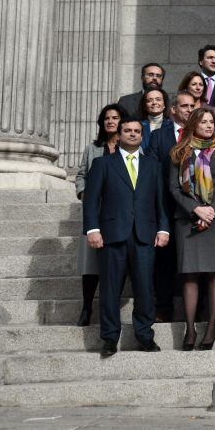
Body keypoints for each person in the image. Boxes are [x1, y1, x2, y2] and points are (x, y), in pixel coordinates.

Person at [83, 118, 169, 358]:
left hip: (145, 236)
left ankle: (144, 335)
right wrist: (92, 229)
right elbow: (91, 201)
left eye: (137, 131)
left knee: (144, 288)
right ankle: (110, 338)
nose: (132, 134)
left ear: (142, 136)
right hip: (112, 236)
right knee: (110, 289)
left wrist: (164, 229)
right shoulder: (102, 164)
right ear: (118, 135)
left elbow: (160, 201)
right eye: (127, 131)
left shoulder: (153, 165)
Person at [168, 107, 215, 351]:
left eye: (211, 121)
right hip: (187, 219)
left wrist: (211, 211)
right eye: (203, 121)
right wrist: (196, 209)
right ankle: (190, 328)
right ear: (193, 123)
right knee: (190, 274)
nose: (208, 125)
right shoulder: (178, 152)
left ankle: (210, 328)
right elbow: (173, 188)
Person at [145, 90, 198, 322]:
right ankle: (163, 307)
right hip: (167, 206)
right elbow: (154, 173)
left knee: (195, 260)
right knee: (165, 261)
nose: (188, 110)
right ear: (173, 110)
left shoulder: (202, 133)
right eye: (184, 106)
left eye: (191, 106)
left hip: (195, 208)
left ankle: (199, 309)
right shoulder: (159, 136)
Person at [74, 104, 128, 326]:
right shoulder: (92, 149)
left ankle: (111, 303)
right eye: (106, 118)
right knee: (90, 264)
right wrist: (84, 193)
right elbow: (81, 175)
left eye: (115, 117)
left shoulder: (132, 149)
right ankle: (87, 306)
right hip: (96, 213)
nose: (110, 121)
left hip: (121, 213)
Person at [139, 88, 169, 152]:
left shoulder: (172, 125)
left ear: (164, 105)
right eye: (149, 100)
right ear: (145, 106)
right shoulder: (138, 126)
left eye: (158, 99)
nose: (154, 102)